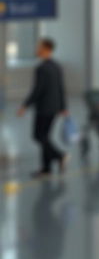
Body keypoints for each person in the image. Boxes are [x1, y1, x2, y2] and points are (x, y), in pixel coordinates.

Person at [17, 37, 69, 177]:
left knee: (38, 135)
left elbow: (37, 90)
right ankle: (46, 169)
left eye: (39, 46)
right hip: (54, 108)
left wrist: (25, 105)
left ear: (46, 49)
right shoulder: (56, 66)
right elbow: (61, 88)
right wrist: (63, 107)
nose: (36, 49)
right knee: (44, 136)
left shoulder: (41, 68)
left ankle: (59, 156)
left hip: (44, 109)